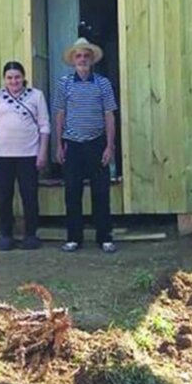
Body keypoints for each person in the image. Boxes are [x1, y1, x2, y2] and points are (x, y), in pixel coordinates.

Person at [53, 37, 118, 253]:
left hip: (97, 143)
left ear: (92, 60)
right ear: (73, 60)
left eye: (86, 56)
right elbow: (60, 114)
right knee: (72, 193)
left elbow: (109, 115)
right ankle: (73, 238)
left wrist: (110, 146)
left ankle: (105, 237)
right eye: (78, 56)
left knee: (101, 192)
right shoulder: (64, 84)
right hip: (72, 144)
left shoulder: (103, 83)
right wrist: (59, 144)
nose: (82, 59)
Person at [0, 61, 50, 251]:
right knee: (3, 196)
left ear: (23, 77)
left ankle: (31, 234)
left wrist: (42, 152)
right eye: (9, 77)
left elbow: (44, 126)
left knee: (30, 197)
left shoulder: (36, 96)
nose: (14, 81)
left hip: (29, 154)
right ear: (4, 79)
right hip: (2, 155)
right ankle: (6, 234)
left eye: (17, 77)